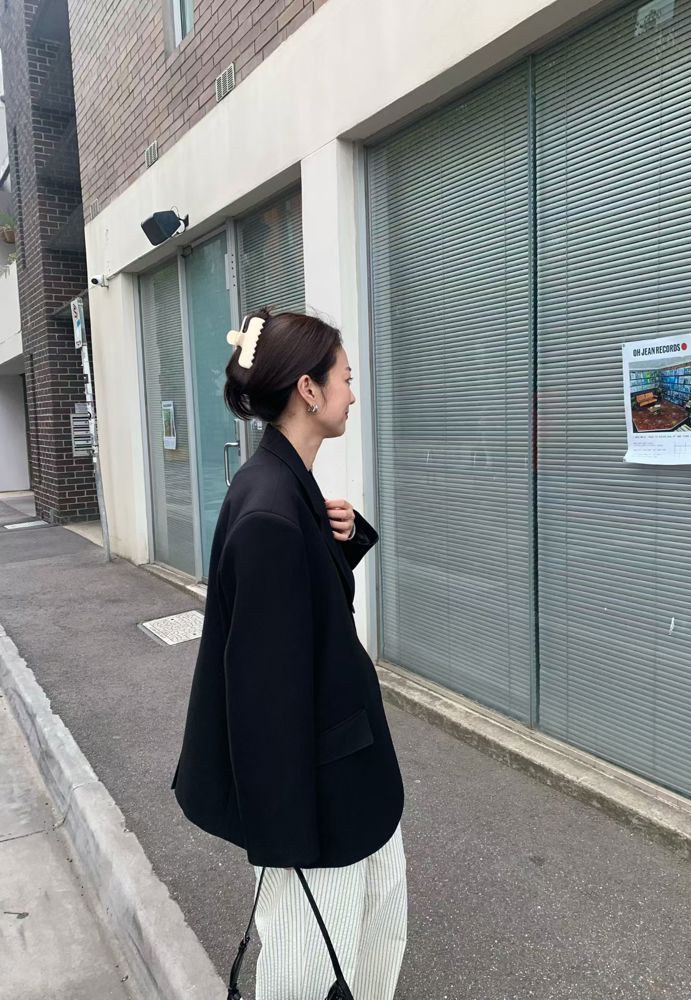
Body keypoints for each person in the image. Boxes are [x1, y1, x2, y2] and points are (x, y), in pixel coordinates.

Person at [170, 309, 407, 999]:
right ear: (309, 388)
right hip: (320, 805)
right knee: (310, 970)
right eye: (346, 379)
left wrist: (344, 539)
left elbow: (306, 616)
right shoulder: (272, 509)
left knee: (373, 941)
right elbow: (263, 700)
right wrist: (285, 848)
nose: (353, 394)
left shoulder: (283, 484)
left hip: (349, 780)